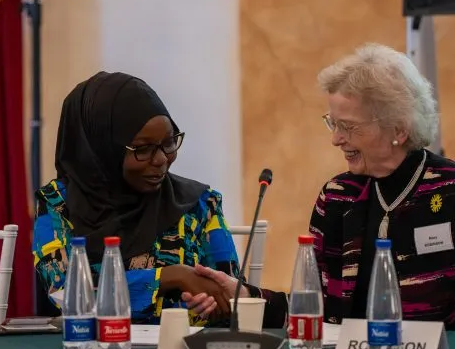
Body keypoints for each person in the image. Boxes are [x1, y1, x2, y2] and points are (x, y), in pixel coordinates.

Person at [32, 71, 287, 327]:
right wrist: (170, 276)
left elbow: (226, 287)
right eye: (143, 149)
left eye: (169, 143)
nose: (162, 159)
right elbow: (66, 292)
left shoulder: (199, 203)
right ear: (102, 150)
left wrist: (212, 305)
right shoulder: (57, 203)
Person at [309, 43, 455, 331]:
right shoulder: (338, 196)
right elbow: (313, 307)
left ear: (399, 130)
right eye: (333, 123)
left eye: (348, 126)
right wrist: (248, 296)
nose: (336, 139)